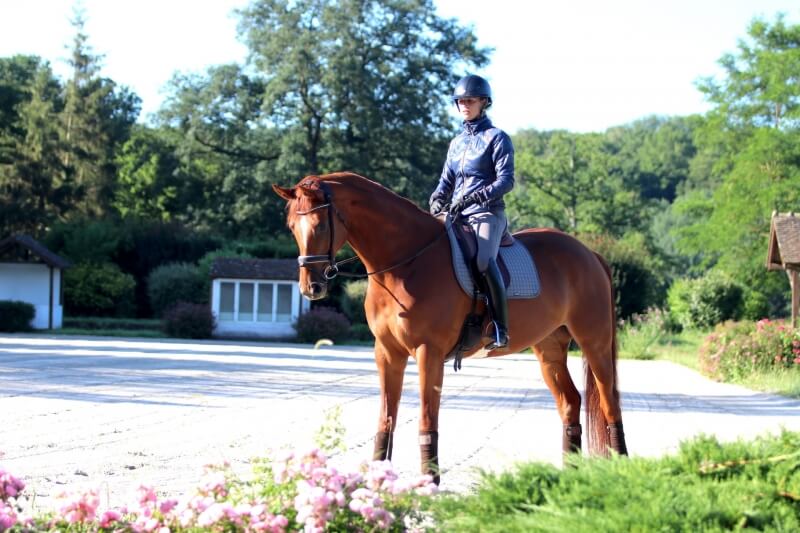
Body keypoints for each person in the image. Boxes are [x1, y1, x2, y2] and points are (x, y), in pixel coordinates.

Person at [429, 74, 514, 350]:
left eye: (470, 100)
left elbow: (506, 181)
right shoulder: (456, 143)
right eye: (461, 101)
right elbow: (445, 182)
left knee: (483, 261)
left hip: (487, 213)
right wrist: (436, 200)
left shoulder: (497, 138)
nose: (464, 105)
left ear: (483, 102)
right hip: (457, 215)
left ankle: (500, 328)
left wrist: (475, 197)